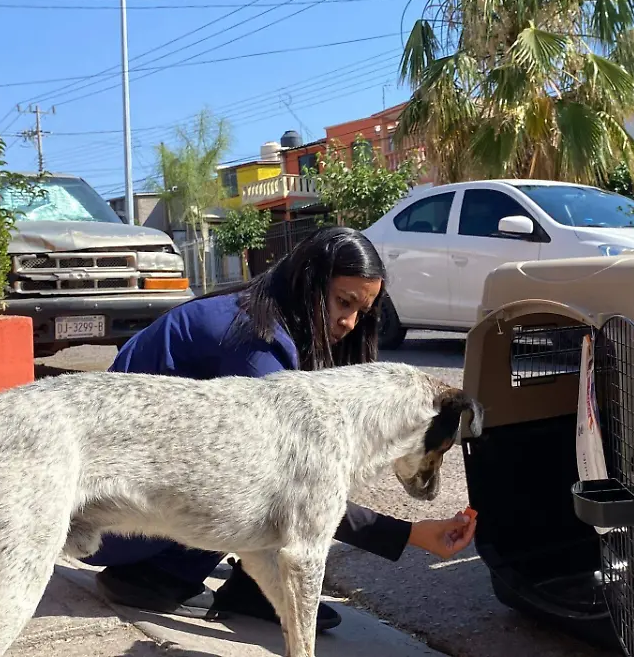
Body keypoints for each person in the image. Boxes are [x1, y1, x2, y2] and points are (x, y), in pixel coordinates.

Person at [80, 225, 477, 632]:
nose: (350, 322)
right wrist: (410, 534)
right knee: (255, 486)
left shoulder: (270, 314)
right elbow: (297, 493)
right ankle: (157, 578)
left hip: (132, 495)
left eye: (363, 311)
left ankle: (251, 588)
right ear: (309, 281)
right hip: (109, 516)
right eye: (344, 302)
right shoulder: (256, 342)